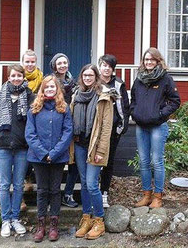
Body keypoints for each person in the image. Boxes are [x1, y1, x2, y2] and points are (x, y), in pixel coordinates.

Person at [0, 64, 34, 237]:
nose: (16, 78)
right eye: (13, 76)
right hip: (3, 147)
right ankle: (5, 220)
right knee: (5, 185)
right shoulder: (1, 95)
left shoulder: (29, 96)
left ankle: (15, 218)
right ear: (8, 77)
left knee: (19, 184)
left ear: (23, 77)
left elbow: (34, 118)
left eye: (19, 76)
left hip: (22, 148)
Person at [130, 47, 181, 208]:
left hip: (158, 126)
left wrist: (160, 114)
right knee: (144, 161)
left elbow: (175, 101)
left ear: (158, 61)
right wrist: (134, 113)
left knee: (156, 161)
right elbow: (133, 100)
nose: (149, 62)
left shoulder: (165, 79)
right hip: (141, 126)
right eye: (146, 60)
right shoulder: (139, 79)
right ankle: (147, 195)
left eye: (152, 59)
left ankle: (158, 196)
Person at [25, 75, 73, 242]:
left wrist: (53, 153)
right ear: (42, 89)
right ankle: (41, 225)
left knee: (54, 190)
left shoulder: (64, 109)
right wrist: (43, 153)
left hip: (58, 158)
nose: (50, 89)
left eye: (53, 87)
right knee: (42, 190)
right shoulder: (34, 109)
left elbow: (68, 133)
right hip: (38, 158)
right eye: (47, 87)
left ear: (57, 89)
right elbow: (30, 134)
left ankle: (54, 225)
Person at [70, 64, 114, 240]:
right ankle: (86, 218)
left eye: (91, 75)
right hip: (79, 145)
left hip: (94, 147)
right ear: (81, 77)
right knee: (85, 184)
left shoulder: (104, 97)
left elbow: (106, 128)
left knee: (92, 184)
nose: (87, 78)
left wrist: (101, 151)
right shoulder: (76, 95)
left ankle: (99, 221)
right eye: (85, 75)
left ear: (96, 77)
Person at [98, 54, 130, 208]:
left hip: (112, 129)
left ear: (113, 69)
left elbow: (124, 106)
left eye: (109, 66)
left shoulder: (118, 84)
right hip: (94, 130)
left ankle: (104, 192)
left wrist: (122, 127)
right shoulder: (94, 81)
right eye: (104, 65)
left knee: (108, 162)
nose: (106, 69)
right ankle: (92, 192)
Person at [49, 53, 79, 208]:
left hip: (71, 126)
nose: (62, 65)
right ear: (54, 66)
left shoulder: (74, 83)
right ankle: (52, 194)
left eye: (64, 62)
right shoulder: (50, 83)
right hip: (54, 127)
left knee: (73, 163)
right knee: (55, 162)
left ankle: (67, 193)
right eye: (59, 63)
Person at [21, 49, 43, 211]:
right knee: (22, 157)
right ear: (23, 63)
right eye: (27, 62)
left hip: (36, 122)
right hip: (20, 123)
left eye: (32, 62)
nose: (30, 65)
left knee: (32, 153)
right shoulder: (18, 79)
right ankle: (21, 191)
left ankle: (30, 179)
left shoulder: (41, 80)